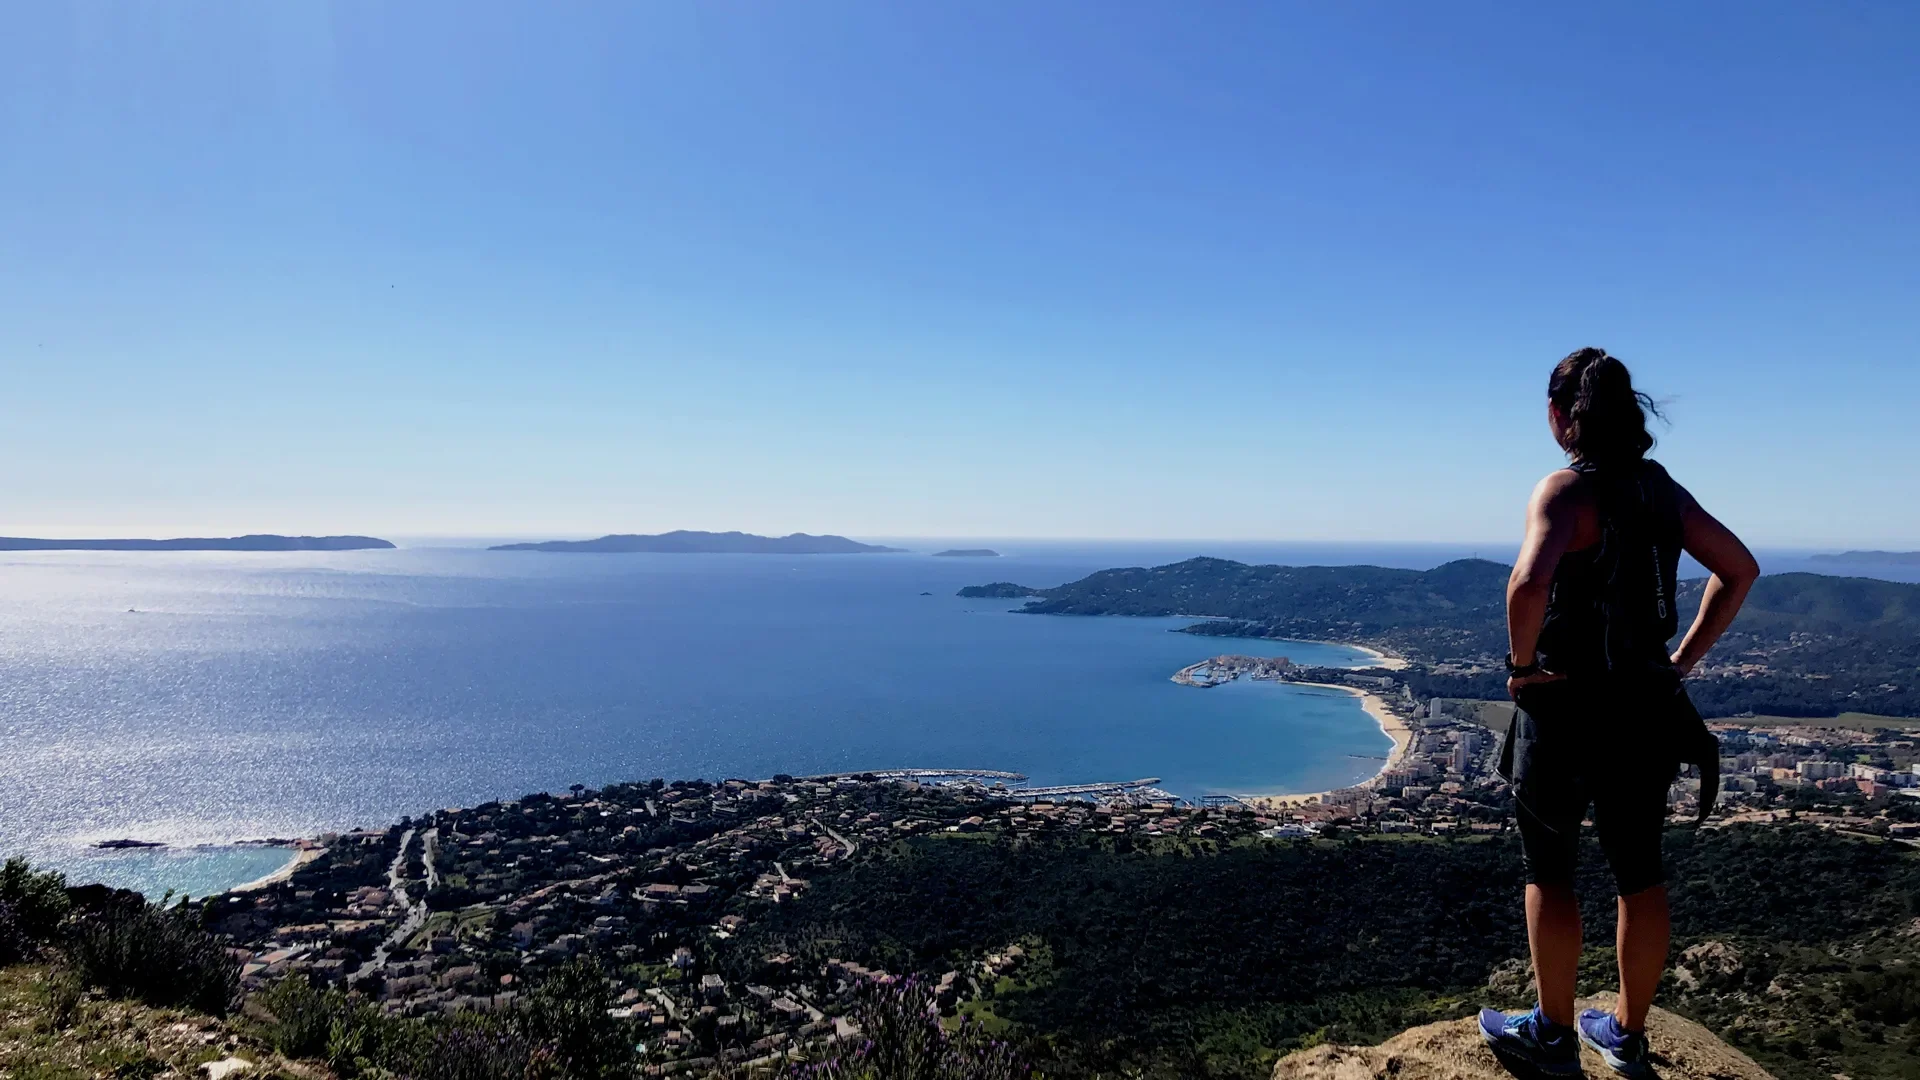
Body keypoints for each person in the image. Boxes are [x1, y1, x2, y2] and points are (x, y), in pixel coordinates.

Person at [1477, 348, 1759, 1078]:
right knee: (1640, 871)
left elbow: (1527, 582)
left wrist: (1521, 667)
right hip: (1644, 705)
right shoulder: (1660, 490)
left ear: (1558, 415)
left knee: (1550, 869)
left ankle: (1552, 1033)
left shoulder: (1565, 489)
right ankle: (1627, 1034)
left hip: (1566, 706)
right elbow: (1740, 569)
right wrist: (1682, 661)